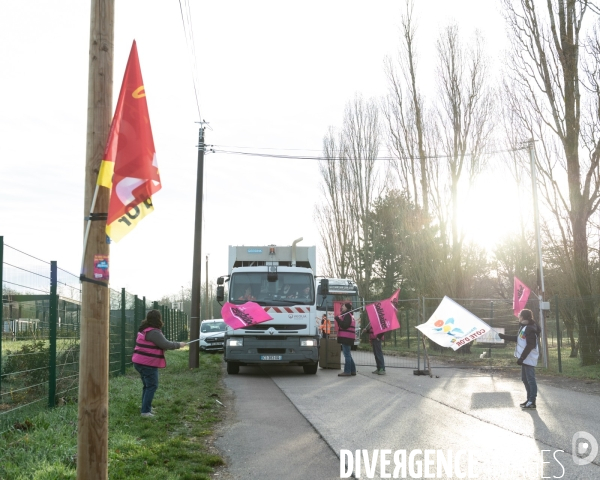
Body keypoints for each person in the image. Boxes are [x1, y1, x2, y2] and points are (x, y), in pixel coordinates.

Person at [132, 309, 186, 417]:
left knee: (147, 386)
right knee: (152, 385)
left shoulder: (145, 329)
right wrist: (179, 344)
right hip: (147, 363)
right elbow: (165, 344)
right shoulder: (154, 332)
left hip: (139, 362)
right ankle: (145, 412)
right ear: (158, 319)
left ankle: (146, 408)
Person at [497, 308, 539, 409]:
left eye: (519, 315)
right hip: (525, 359)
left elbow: (530, 345)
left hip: (529, 358)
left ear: (523, 317)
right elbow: (518, 338)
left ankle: (532, 401)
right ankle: (529, 399)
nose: (518, 317)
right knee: (525, 379)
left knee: (530, 379)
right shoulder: (524, 327)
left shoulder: (530, 328)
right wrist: (503, 336)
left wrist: (522, 358)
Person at [335, 302, 356, 377]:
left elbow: (344, 325)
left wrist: (338, 320)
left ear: (346, 307)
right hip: (349, 337)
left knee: (347, 355)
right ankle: (353, 370)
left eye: (343, 306)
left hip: (346, 337)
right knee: (348, 354)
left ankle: (347, 371)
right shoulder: (351, 315)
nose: (342, 308)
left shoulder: (347, 315)